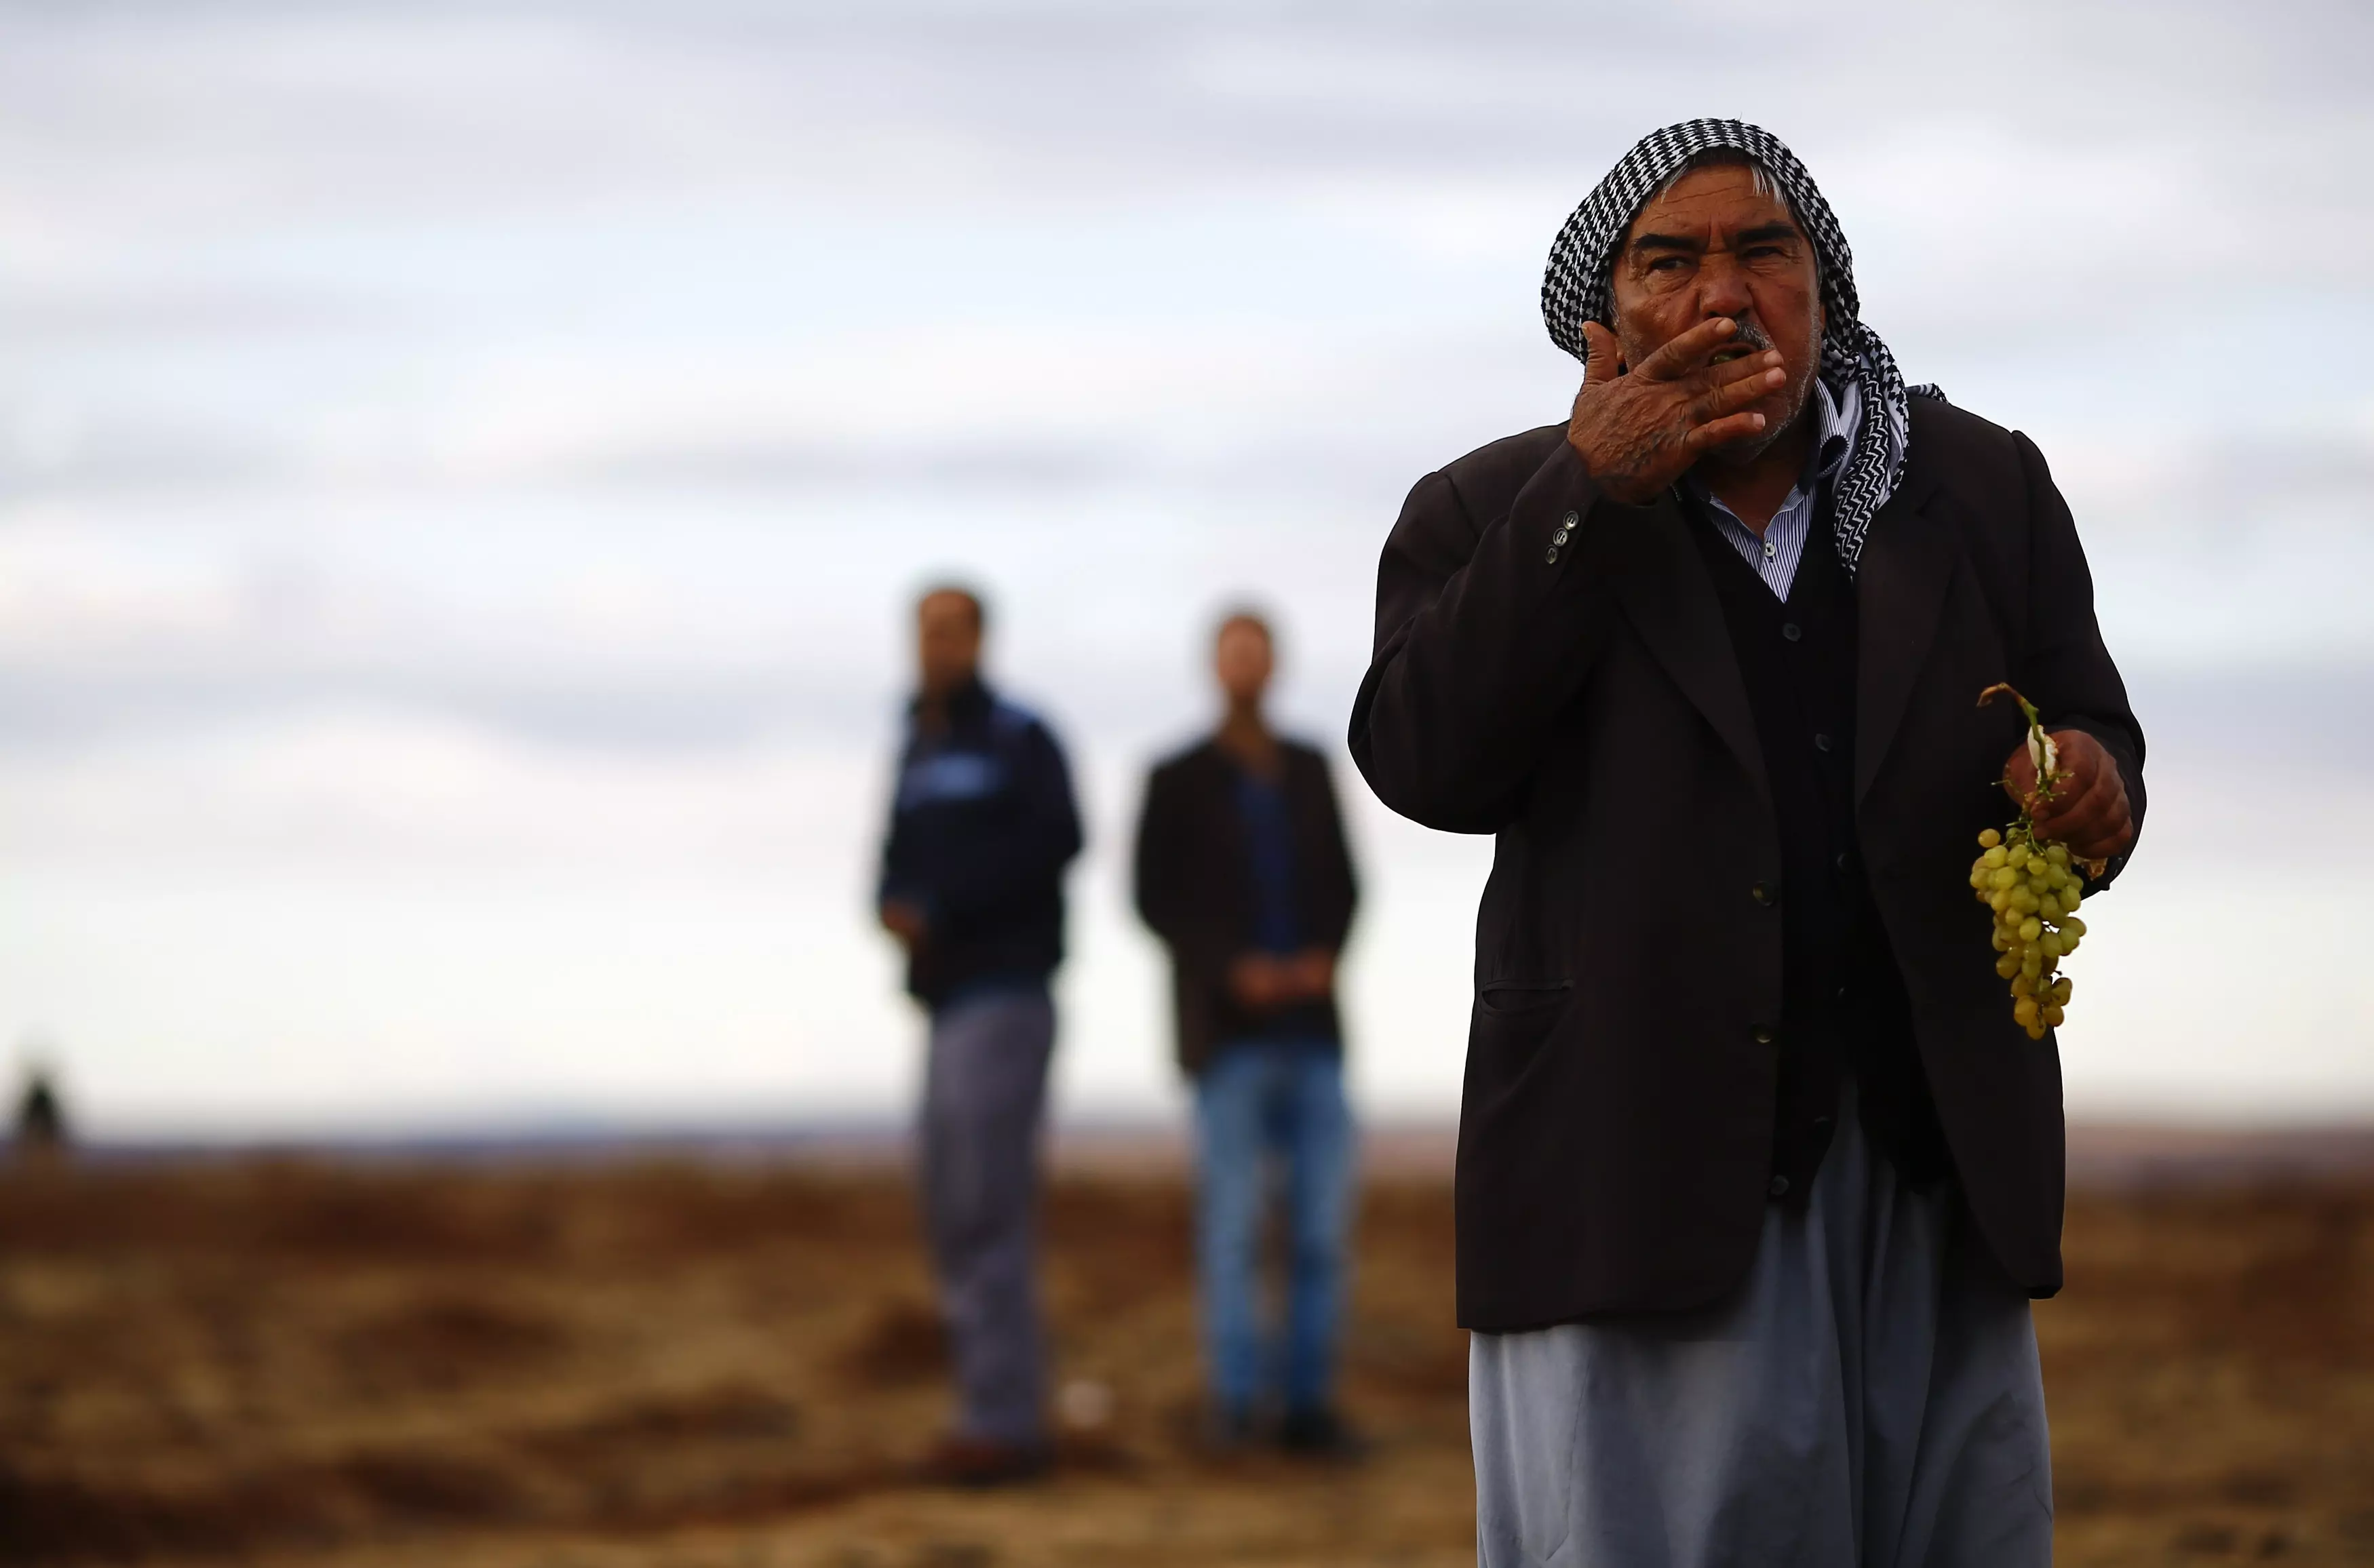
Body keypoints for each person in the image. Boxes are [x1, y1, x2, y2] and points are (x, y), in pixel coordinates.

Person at [1349, 121, 2144, 1566]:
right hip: (1639, 1170)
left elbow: (2091, 722)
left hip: (1932, 1160)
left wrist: (2094, 784)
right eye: (1672, 263)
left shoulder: (1972, 490)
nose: (1723, 295)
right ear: (1601, 321)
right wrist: (1591, 493)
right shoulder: (1489, 509)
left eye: (1762, 253)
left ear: (1822, 291)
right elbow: (1423, 761)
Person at [1134, 610, 1361, 1455]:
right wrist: (1231, 967)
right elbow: (1154, 896)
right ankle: (1233, 1408)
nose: (1245, 667)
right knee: (1231, 1227)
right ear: (1212, 666)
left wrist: (1321, 956)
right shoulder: (1178, 776)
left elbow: (1344, 881)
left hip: (1313, 1030)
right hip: (1225, 1037)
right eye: (1233, 652)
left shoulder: (1306, 768)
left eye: (1257, 652)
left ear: (1274, 665)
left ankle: (1306, 1410)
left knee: (1318, 1231)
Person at [876, 583, 1083, 1485]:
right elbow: (889, 861)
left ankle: (1005, 1424)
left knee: (986, 1210)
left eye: (952, 630)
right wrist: (893, 909)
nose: (937, 645)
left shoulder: (1018, 738)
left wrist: (948, 904)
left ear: (982, 638)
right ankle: (987, 1408)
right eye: (925, 631)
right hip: (944, 1003)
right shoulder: (916, 744)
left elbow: (1061, 838)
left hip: (1005, 996)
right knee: (950, 1211)